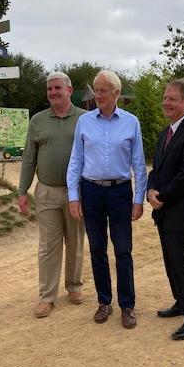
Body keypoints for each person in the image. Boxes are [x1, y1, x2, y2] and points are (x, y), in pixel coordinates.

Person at [67, 70, 147, 329]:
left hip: (120, 192)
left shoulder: (131, 122)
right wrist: (73, 197)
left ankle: (127, 305)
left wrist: (138, 199)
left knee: (123, 249)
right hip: (91, 192)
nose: (98, 95)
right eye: (96, 90)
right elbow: (76, 161)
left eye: (103, 91)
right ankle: (104, 301)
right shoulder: (85, 122)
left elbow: (138, 163)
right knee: (97, 249)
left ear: (117, 94)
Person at [18, 72, 85, 319]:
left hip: (77, 192)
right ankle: (47, 296)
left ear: (69, 90)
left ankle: (75, 286)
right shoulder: (37, 121)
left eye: (58, 88)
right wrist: (22, 190)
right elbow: (28, 158)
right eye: (49, 89)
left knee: (76, 242)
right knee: (48, 246)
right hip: (46, 191)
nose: (53, 92)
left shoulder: (85, 119)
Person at [147, 78, 184, 341]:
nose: (166, 102)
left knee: (183, 264)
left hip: (181, 213)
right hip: (164, 211)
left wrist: (162, 195)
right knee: (170, 262)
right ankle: (180, 302)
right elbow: (156, 169)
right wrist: (150, 190)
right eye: (165, 97)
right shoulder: (166, 133)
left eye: (172, 98)